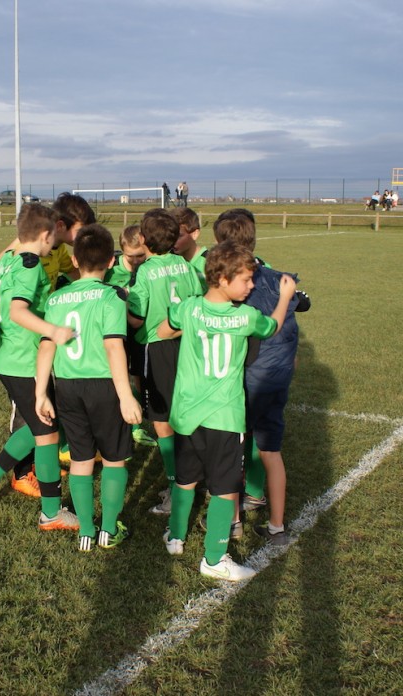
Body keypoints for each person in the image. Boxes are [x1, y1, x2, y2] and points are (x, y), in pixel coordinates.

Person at [158, 240, 297, 581]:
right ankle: (215, 559)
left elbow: (164, 330)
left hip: (187, 413)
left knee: (186, 478)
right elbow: (272, 327)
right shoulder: (247, 317)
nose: (251, 286)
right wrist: (283, 297)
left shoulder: (189, 309)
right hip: (224, 415)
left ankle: (175, 537)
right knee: (224, 488)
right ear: (222, 279)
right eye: (246, 280)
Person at [0, 193, 97, 497]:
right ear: (54, 229)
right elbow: (10, 291)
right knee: (41, 424)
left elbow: (66, 276)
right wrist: (54, 330)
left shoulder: (47, 253)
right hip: (22, 352)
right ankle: (22, 480)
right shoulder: (26, 259)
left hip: (28, 349)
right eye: (79, 230)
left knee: (44, 423)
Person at [35, 224, 144, 552]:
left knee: (81, 459)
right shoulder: (112, 297)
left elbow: (46, 347)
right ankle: (108, 529)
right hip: (105, 387)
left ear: (74, 259)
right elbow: (114, 348)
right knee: (113, 460)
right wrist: (126, 396)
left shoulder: (57, 298)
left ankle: (85, 527)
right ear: (112, 261)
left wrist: (41, 392)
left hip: (67, 387)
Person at [213, 209, 309, 546]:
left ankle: (233, 522)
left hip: (245, 377)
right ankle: (277, 526)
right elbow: (291, 329)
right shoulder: (280, 279)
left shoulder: (235, 285)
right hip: (278, 377)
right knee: (271, 450)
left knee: (234, 448)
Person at [127, 209, 203, 514]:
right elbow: (198, 303)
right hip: (185, 346)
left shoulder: (144, 271)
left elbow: (135, 320)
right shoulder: (187, 267)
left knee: (162, 422)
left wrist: (122, 303)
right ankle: (192, 479)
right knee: (183, 415)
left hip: (154, 349)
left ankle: (177, 489)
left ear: (143, 240)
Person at [104, 225, 157, 448]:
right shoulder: (111, 269)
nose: (136, 261)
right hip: (113, 333)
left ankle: (137, 423)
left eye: (141, 256)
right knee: (116, 376)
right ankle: (126, 426)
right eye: (131, 256)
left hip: (139, 331)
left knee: (137, 376)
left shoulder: (150, 268)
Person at [169, 207, 208, 289]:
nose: (173, 241)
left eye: (179, 236)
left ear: (195, 234)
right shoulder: (168, 260)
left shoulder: (209, 261)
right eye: (170, 236)